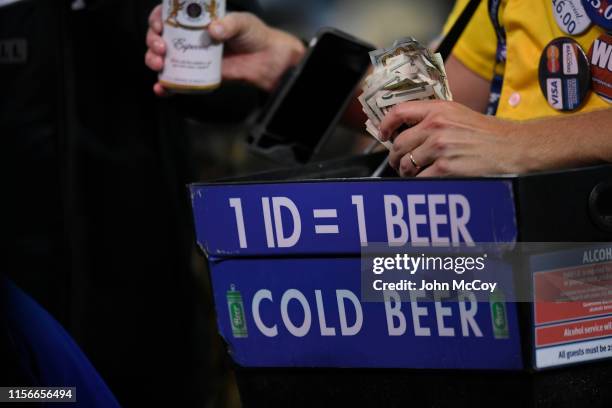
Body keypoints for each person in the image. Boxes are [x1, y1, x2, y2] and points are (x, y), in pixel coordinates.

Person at [145, 1, 612, 177]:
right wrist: (286, 65)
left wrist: (520, 142)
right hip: (508, 271)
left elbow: (492, 142)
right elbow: (442, 115)